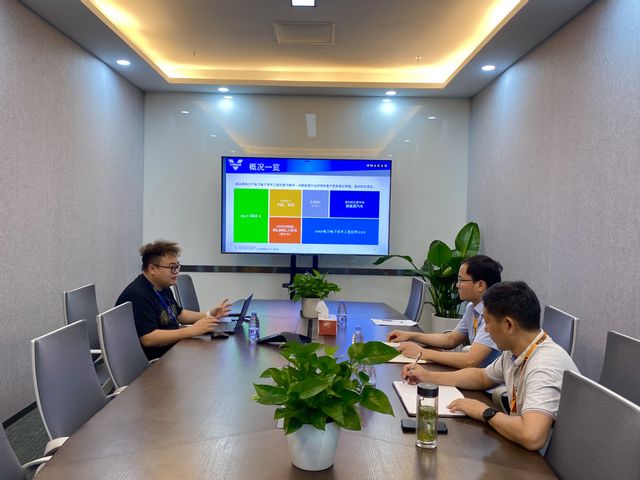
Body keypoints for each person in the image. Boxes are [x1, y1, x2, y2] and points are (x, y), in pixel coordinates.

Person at [402, 281, 580, 451]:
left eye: (487, 322)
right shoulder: (515, 351)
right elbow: (481, 377)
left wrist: (484, 412)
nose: (486, 330)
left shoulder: (544, 364)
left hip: (547, 461)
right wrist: (428, 376)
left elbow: (532, 436)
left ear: (508, 325)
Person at [116, 240, 231, 360]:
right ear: (152, 269)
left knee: (215, 353)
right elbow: (148, 338)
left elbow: (179, 314)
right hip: (155, 361)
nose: (176, 272)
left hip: (171, 350)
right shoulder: (138, 295)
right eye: (172, 267)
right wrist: (191, 330)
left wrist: (209, 314)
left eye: (177, 266)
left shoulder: (162, 286)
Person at [388, 255, 503, 368]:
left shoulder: (495, 314)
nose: (457, 285)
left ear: (480, 285)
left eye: (461, 280)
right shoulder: (471, 308)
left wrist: (421, 353)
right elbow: (450, 340)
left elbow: (470, 361)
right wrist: (410, 335)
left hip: (489, 379)